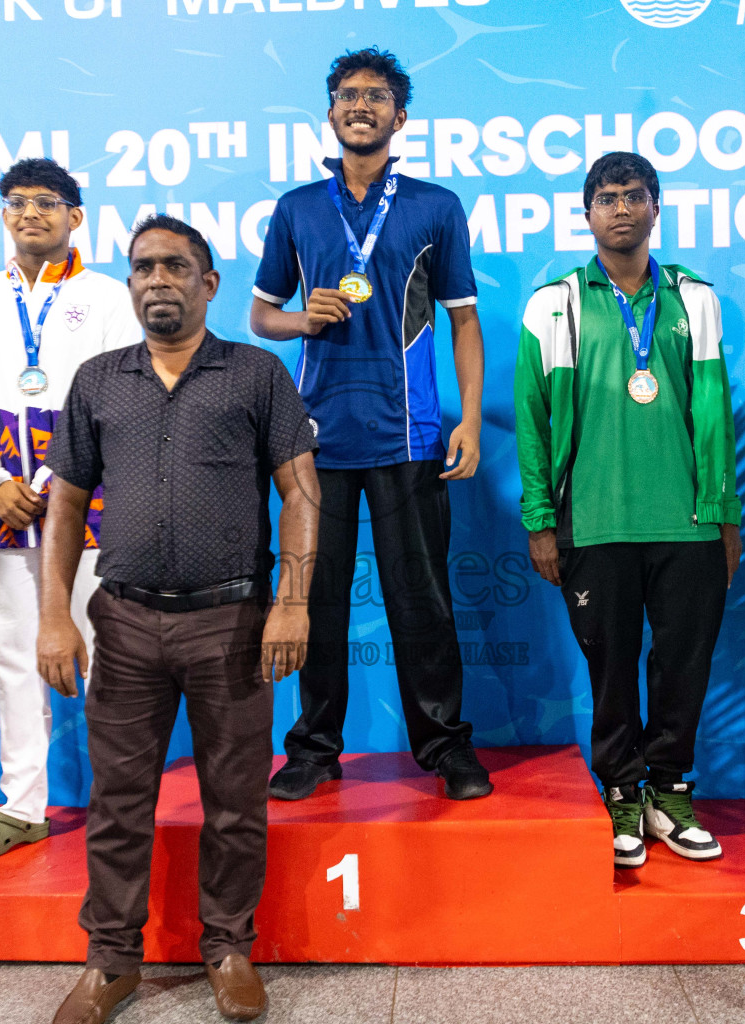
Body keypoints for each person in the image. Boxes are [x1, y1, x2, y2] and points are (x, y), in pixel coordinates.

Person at [39, 216, 318, 1024]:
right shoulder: (97, 381)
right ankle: (111, 960)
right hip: (123, 626)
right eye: (141, 268)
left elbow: (302, 493)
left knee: (235, 800)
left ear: (208, 283)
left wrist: (292, 602)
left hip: (230, 623)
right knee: (119, 801)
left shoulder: (257, 375)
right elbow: (65, 504)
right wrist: (54, 615)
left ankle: (229, 946)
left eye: (174, 266)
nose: (156, 279)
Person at [250, 47, 491, 801]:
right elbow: (260, 316)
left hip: (412, 436)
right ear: (330, 111)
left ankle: (446, 746)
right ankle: (315, 752)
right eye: (348, 95)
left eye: (377, 96)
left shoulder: (434, 206)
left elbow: (464, 322)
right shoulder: (296, 210)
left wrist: (471, 421)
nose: (361, 105)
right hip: (315, 443)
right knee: (315, 603)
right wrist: (298, 320)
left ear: (400, 116)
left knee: (422, 602)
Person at [513, 153, 743, 870]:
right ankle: (620, 788)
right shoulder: (553, 303)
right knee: (611, 668)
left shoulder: (693, 298)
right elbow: (532, 418)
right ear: (587, 213)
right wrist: (541, 520)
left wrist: (725, 516)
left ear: (656, 207)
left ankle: (669, 791)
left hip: (689, 523)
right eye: (606, 198)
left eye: (634, 196)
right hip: (595, 523)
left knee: (683, 665)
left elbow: (713, 413)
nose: (621, 208)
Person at [0, 157, 139, 863]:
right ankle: (23, 806)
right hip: (0, 504)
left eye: (48, 202)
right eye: (18, 202)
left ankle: (119, 802)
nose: (32, 213)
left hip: (87, 499)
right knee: (14, 657)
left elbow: (118, 399)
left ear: (75, 216)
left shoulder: (108, 297)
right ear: (3, 215)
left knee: (109, 655)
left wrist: (65, 480)